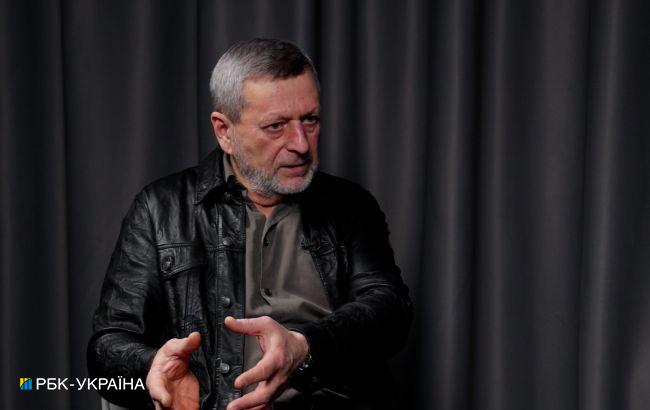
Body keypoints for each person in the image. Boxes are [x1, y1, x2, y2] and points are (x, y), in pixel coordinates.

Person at [87, 38, 412, 410]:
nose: (301, 144)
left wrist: (305, 347)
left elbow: (390, 311)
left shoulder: (350, 206)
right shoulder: (160, 209)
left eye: (310, 119)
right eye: (276, 126)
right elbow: (108, 345)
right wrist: (151, 368)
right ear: (224, 131)